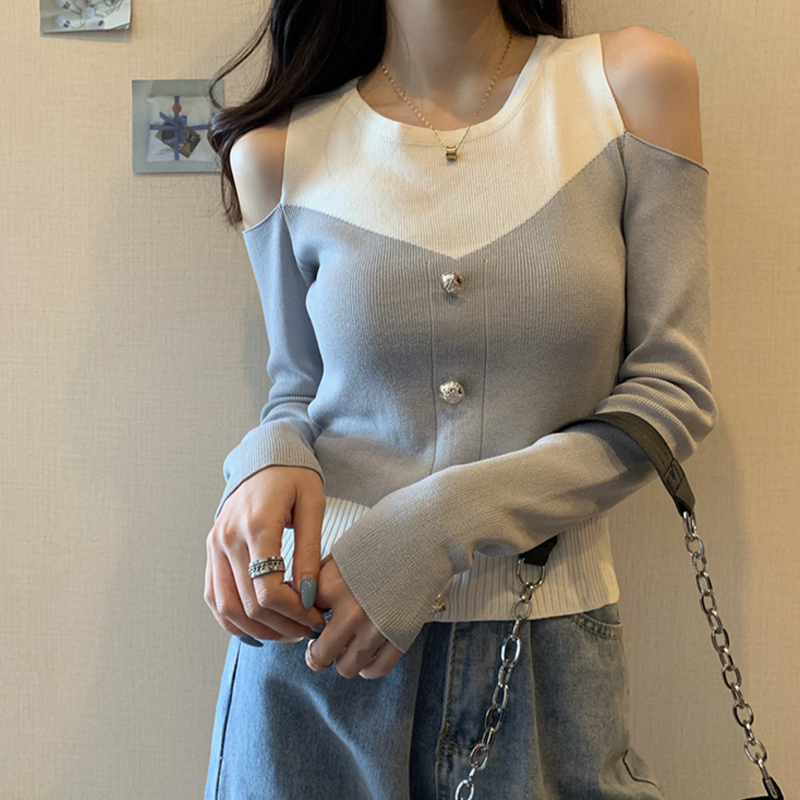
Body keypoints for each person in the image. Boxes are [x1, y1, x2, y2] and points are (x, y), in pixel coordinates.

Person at [202, 1, 717, 798]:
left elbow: (670, 395)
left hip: (542, 645)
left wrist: (437, 526)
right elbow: (297, 389)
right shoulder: (277, 149)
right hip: (315, 643)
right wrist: (260, 465)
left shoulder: (629, 87)